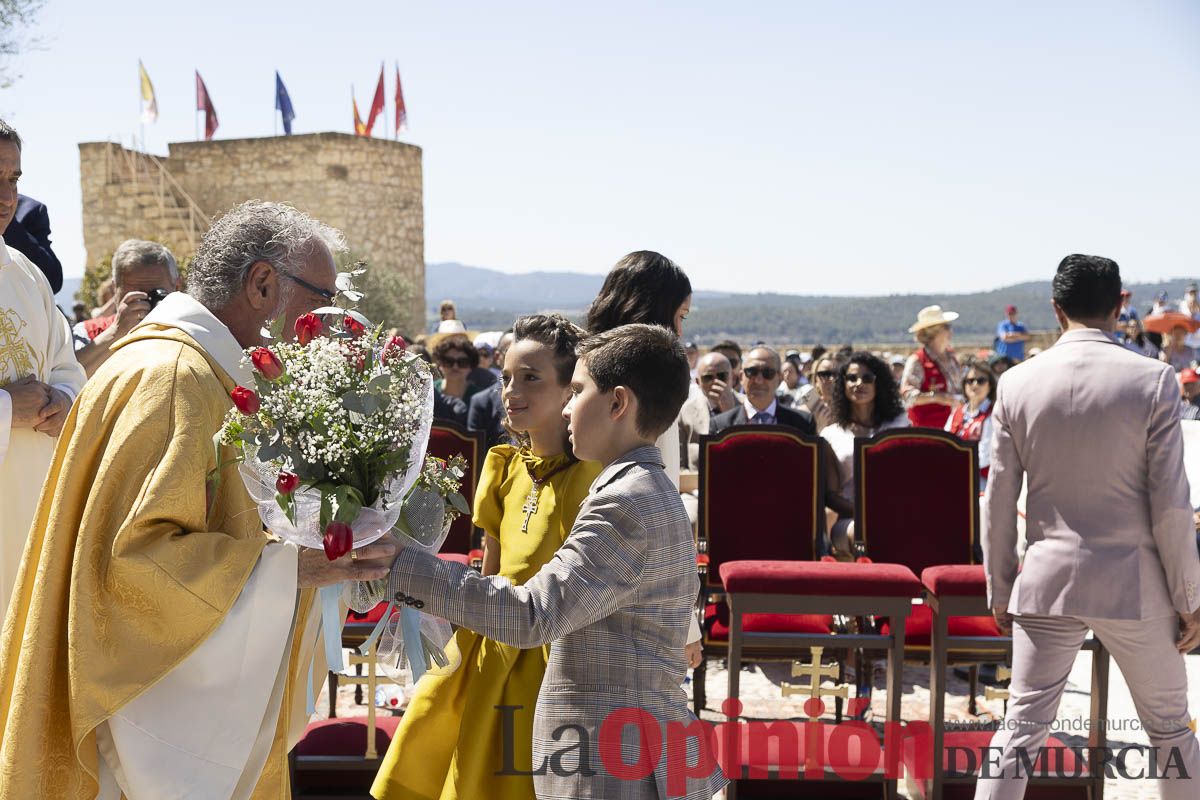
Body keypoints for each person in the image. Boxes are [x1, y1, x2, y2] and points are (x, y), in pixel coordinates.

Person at [0, 200, 399, 798]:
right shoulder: (175, 378)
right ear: (263, 284)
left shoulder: (199, 370)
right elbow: (130, 566)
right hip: (146, 733)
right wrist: (293, 567)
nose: (323, 323)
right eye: (322, 299)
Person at [385, 323, 727, 799]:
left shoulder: (624, 503)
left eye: (579, 390)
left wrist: (403, 566)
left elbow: (532, 614)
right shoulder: (642, 488)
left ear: (617, 403)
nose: (567, 405)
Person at [977, 254, 1200, 800]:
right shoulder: (1153, 380)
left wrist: (1000, 587)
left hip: (1046, 580)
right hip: (1135, 584)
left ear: (1056, 308)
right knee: (1171, 733)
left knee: (1020, 730)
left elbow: (998, 500)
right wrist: (1189, 595)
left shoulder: (1017, 383)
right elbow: (1172, 505)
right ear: (1121, 304)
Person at [372, 314, 601, 800]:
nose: (512, 391)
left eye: (531, 378)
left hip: (557, 659)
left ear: (569, 390)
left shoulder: (598, 479)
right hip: (492, 646)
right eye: (507, 378)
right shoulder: (501, 467)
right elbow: (490, 570)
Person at [0, 120, 87, 621]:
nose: (7, 194)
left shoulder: (26, 273)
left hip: (31, 509)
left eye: (14, 179)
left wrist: (63, 401)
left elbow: (65, 366)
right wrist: (9, 408)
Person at [820, 352, 908, 555]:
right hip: (850, 519)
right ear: (843, 384)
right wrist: (865, 513)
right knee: (864, 532)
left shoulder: (899, 426)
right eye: (851, 378)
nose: (859, 383)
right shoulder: (830, 434)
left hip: (895, 512)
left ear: (880, 384)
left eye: (867, 378)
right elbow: (831, 495)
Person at [74, 238, 180, 376]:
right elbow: (67, 380)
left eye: (156, 294)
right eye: (136, 297)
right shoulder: (87, 333)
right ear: (114, 290)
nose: (146, 304)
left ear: (177, 287)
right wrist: (116, 333)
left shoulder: (195, 331)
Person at [711, 345, 815, 433]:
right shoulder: (720, 426)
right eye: (752, 372)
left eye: (768, 373)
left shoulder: (803, 424)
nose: (759, 380)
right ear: (742, 377)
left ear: (779, 378)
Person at [901, 305, 963, 429]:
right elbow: (907, 395)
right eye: (947, 327)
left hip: (954, 427)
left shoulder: (952, 358)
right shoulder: (918, 361)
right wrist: (936, 397)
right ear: (934, 331)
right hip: (927, 431)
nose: (951, 331)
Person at [945, 360, 996, 490]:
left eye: (981, 380)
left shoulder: (993, 415)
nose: (975, 384)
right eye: (970, 380)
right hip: (954, 474)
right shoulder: (957, 412)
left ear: (990, 385)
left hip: (981, 481)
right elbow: (945, 441)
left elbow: (985, 456)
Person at [3, 192, 63, 293]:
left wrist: (7, 222)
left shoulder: (31, 212)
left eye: (13, 180)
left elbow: (52, 282)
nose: (8, 199)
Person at [432, 334, 483, 424]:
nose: (455, 367)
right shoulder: (430, 391)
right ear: (439, 364)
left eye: (462, 362)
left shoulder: (480, 398)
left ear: (471, 366)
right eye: (448, 361)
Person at [801, 352, 842, 432]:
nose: (832, 379)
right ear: (815, 379)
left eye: (838, 374)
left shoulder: (853, 409)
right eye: (825, 374)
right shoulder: (806, 408)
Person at [695, 351, 737, 415]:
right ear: (698, 382)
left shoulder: (747, 405)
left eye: (722, 376)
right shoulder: (687, 411)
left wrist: (731, 413)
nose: (715, 381)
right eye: (708, 378)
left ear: (733, 378)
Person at [1180, 283, 1200, 350]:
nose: (1193, 294)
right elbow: (1187, 316)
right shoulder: (1183, 304)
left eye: (1194, 292)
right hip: (1187, 342)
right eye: (1191, 292)